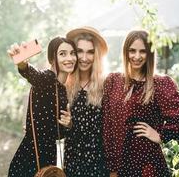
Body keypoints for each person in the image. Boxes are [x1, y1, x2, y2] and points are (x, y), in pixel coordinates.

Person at [102, 30, 179, 177]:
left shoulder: (159, 84)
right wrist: (112, 168)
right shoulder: (112, 81)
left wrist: (160, 134)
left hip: (148, 165)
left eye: (142, 51)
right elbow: (107, 127)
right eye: (132, 50)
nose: (137, 56)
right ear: (125, 52)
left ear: (150, 54)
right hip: (119, 165)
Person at [7, 37, 78, 177]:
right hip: (30, 157)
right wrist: (22, 63)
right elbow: (32, 74)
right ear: (52, 59)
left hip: (48, 157)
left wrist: (68, 124)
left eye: (72, 53)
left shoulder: (63, 90)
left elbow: (59, 134)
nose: (69, 58)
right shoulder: (46, 78)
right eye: (62, 54)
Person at [63, 26, 110, 177]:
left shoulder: (107, 85)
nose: (84, 57)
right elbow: (58, 128)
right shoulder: (65, 86)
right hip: (72, 162)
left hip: (99, 164)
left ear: (96, 55)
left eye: (90, 52)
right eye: (79, 51)